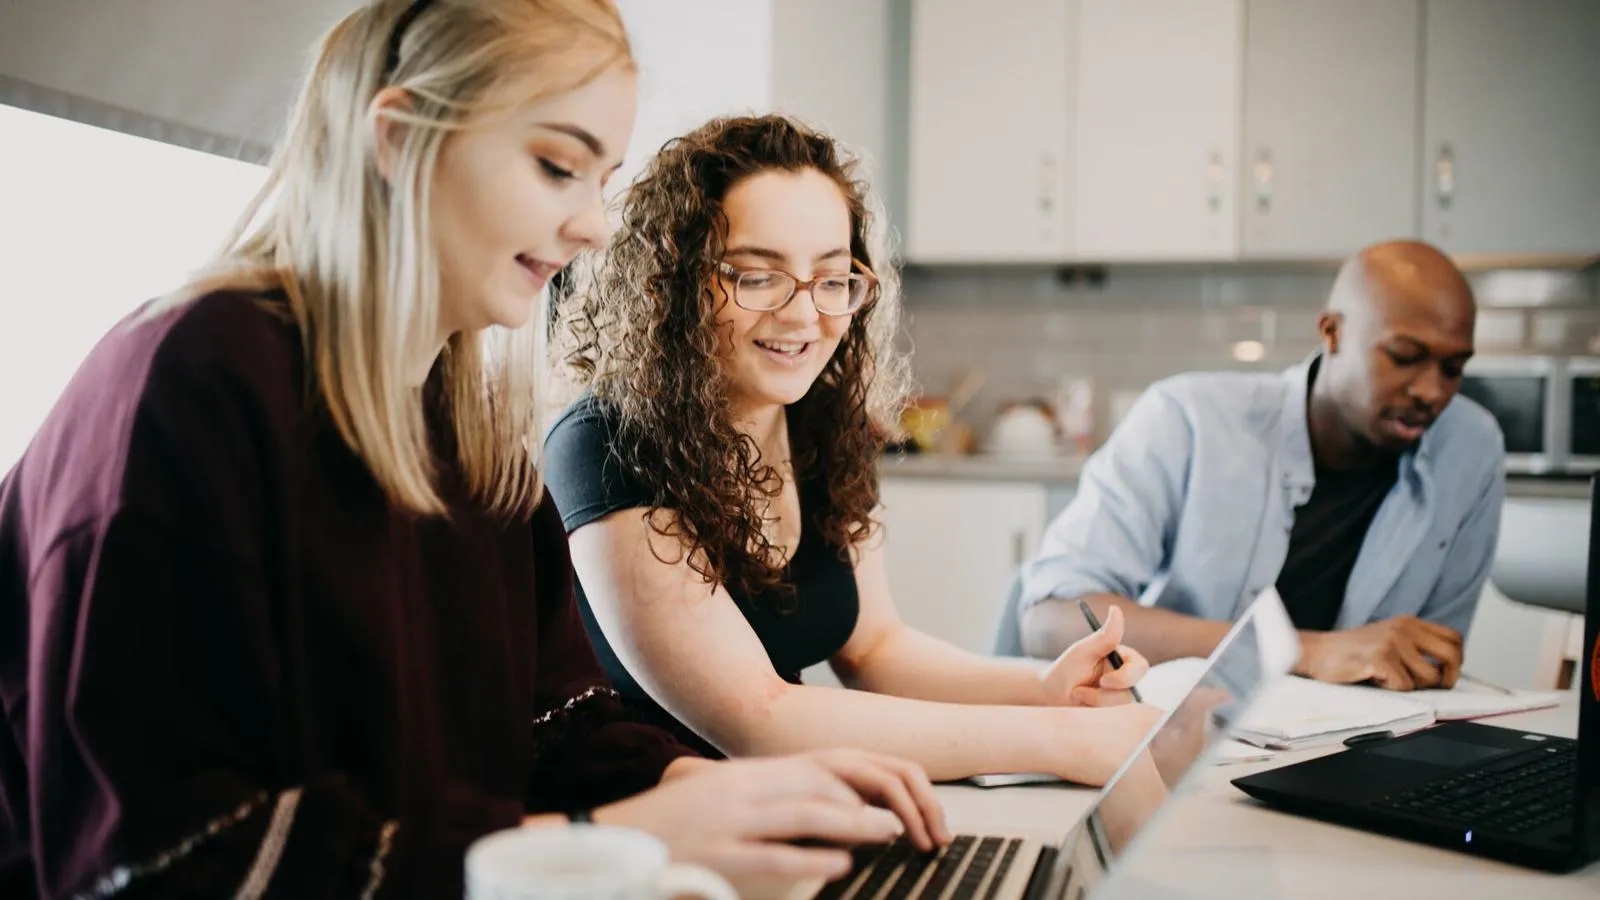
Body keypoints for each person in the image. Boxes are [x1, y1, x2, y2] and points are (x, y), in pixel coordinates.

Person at [0, 3, 945, 897]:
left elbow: (554, 723)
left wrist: (704, 792)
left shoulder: (470, 430)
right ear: (399, 136)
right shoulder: (195, 379)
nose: (594, 225)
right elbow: (171, 858)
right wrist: (622, 844)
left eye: (603, 181)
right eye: (555, 167)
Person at [544, 113, 1163, 787]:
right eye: (757, 276)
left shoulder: (821, 424)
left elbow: (876, 647)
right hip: (657, 833)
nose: (805, 314)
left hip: (787, 807)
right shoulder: (607, 442)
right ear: (675, 284)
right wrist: (1060, 739)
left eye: (833, 278)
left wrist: (1045, 691)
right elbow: (761, 719)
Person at [1018, 240, 1506, 692]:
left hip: (1348, 749)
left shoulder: (1471, 448)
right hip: (1183, 733)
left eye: (1453, 368)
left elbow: (1434, 658)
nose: (1432, 392)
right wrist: (1301, 651)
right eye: (1404, 356)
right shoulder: (1187, 419)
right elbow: (1051, 619)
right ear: (1331, 333)